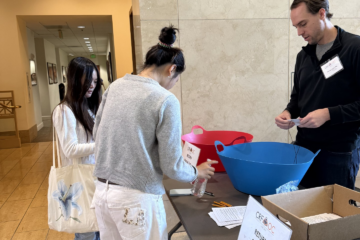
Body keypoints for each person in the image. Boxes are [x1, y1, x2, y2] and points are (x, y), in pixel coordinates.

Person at [92, 26, 217, 240]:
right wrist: (196, 172)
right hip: (135, 201)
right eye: (176, 80)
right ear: (172, 70)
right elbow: (172, 165)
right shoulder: (165, 100)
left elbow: (98, 134)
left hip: (103, 195)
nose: (172, 86)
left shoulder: (115, 87)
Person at [275, 0, 360, 190]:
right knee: (301, 213)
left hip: (339, 153)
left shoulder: (354, 49)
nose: (299, 32)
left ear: (322, 14)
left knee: (333, 215)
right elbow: (297, 99)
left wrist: (328, 114)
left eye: (303, 24)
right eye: (296, 26)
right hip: (304, 150)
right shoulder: (303, 56)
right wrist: (288, 113)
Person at [53, 57, 101, 240]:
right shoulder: (64, 111)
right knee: (87, 232)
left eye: (95, 82)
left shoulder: (86, 107)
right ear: (74, 80)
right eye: (87, 81)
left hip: (92, 177)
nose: (91, 86)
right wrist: (102, 145)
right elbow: (70, 149)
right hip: (80, 181)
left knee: (95, 227)